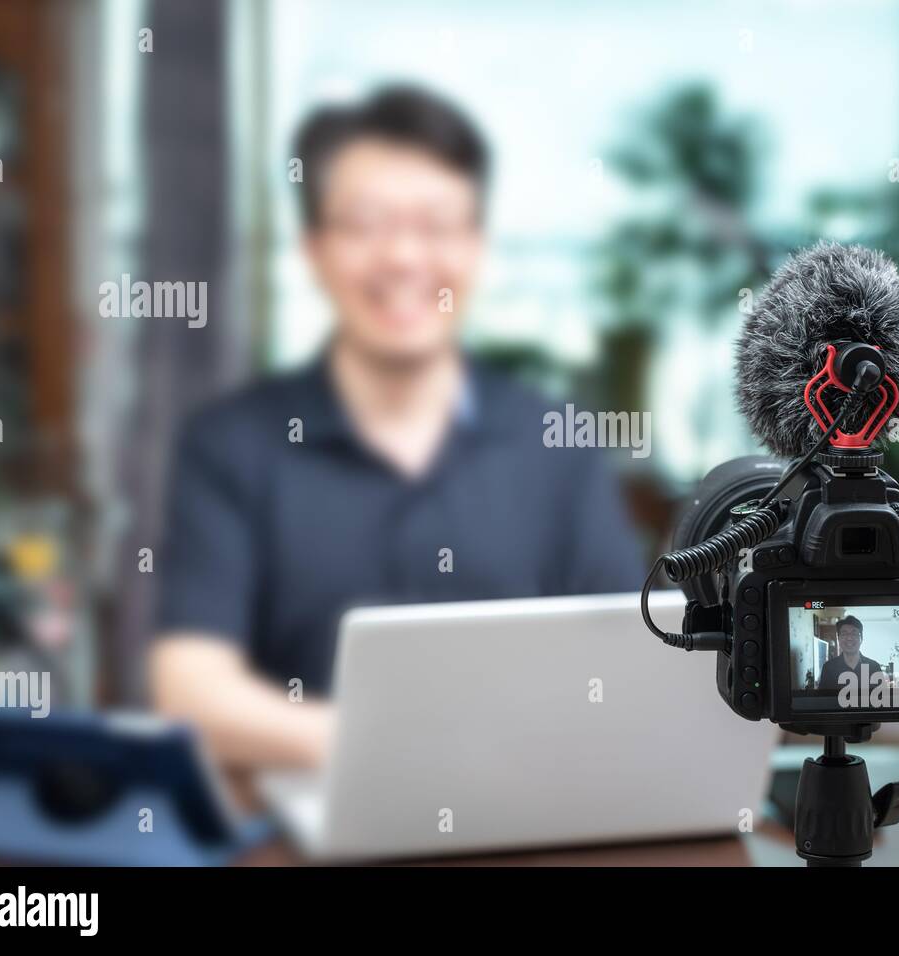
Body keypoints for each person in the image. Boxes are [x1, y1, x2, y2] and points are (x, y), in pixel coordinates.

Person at [148, 85, 644, 769]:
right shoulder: (230, 446)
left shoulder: (560, 444)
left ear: (475, 247)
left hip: (529, 822)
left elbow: (628, 669)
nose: (404, 259)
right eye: (366, 224)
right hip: (303, 825)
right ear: (315, 249)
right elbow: (193, 689)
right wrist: (405, 756)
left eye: (438, 226)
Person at [817, 616, 882, 690]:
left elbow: (882, 699)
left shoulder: (874, 667)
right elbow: (823, 700)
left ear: (861, 639)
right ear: (838, 639)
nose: (849, 638)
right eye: (844, 634)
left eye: (854, 633)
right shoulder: (828, 668)